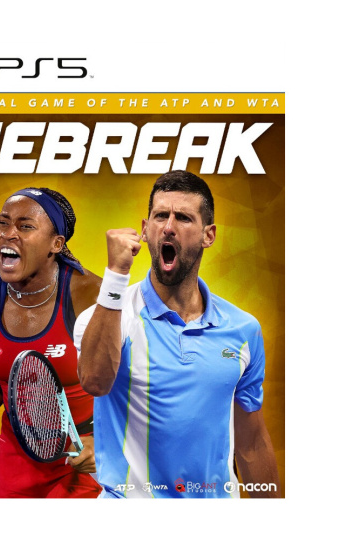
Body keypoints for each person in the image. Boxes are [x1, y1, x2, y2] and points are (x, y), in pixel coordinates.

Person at [74, 170, 280, 498]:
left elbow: (252, 443)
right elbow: (94, 382)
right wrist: (115, 275)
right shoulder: (109, 317)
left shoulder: (243, 329)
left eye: (183, 217)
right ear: (145, 230)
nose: (168, 227)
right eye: (160, 216)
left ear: (208, 235)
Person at [0, 187, 102, 498]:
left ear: (56, 244)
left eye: (25, 226)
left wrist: (105, 441)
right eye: (3, 223)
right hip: (16, 456)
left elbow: (135, 388)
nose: (8, 234)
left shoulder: (92, 299)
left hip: (85, 457)